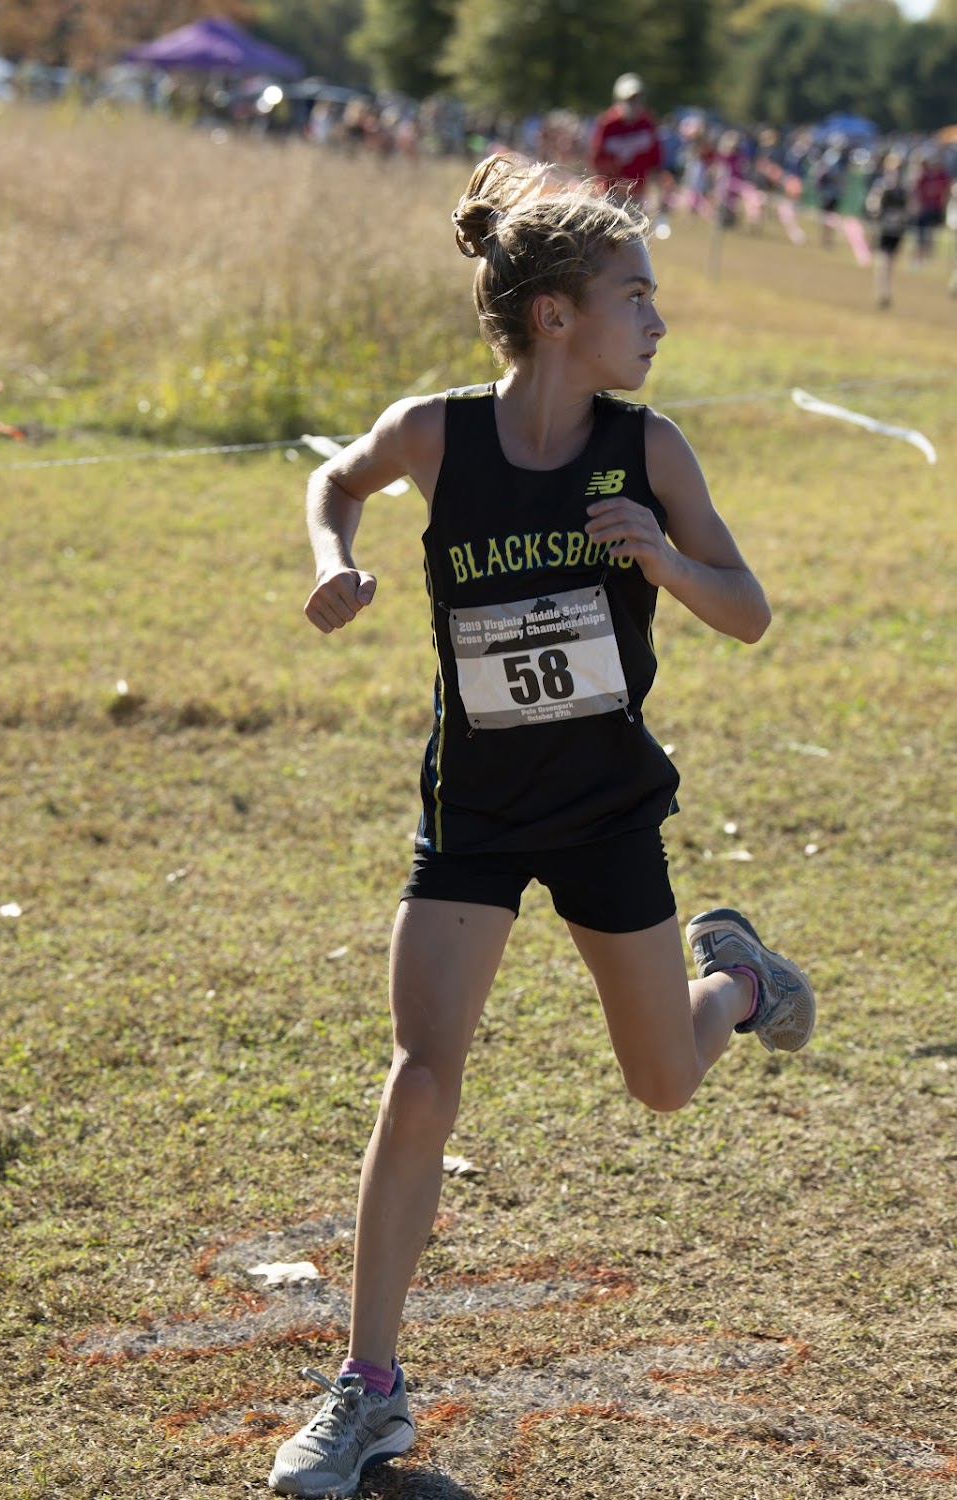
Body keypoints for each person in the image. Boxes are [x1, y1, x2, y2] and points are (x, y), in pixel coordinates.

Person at [268, 153, 816, 1499]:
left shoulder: (650, 448)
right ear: (557, 314)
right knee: (421, 1075)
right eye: (638, 295)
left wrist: (663, 559)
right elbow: (335, 480)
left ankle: (741, 983)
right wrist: (336, 561)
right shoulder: (434, 435)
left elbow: (749, 612)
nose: (659, 321)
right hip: (474, 809)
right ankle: (369, 1391)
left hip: (603, 809)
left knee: (662, 1081)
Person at [587, 72, 662, 207]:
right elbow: (597, 160)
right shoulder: (608, 124)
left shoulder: (647, 124)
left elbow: (655, 159)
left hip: (638, 192)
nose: (634, 105)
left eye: (638, 99)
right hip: (611, 192)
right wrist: (615, 182)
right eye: (629, 100)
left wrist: (654, 189)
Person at [864, 152, 910, 308]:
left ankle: (886, 289)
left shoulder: (903, 187)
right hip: (884, 227)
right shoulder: (882, 185)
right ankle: (882, 291)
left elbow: (910, 207)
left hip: (897, 228)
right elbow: (873, 205)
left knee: (891, 260)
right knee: (883, 258)